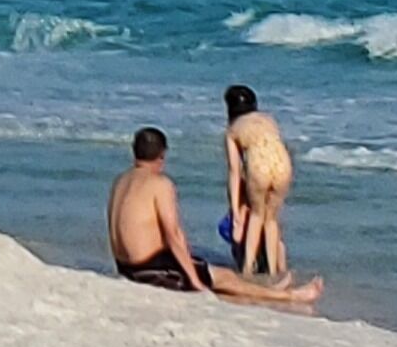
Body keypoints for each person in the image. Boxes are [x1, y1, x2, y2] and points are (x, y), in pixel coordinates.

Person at [109, 126, 319, 309]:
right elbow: (173, 234)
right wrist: (194, 281)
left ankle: (269, 290)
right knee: (221, 277)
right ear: (162, 155)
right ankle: (289, 296)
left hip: (126, 266)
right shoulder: (160, 184)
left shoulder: (121, 180)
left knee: (210, 271)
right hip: (147, 269)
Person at [223, 83, 296, 282]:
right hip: (283, 164)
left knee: (257, 216)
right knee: (271, 220)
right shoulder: (268, 119)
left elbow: (234, 171)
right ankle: (273, 271)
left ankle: (247, 269)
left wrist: (236, 212)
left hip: (258, 165)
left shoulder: (233, 130)